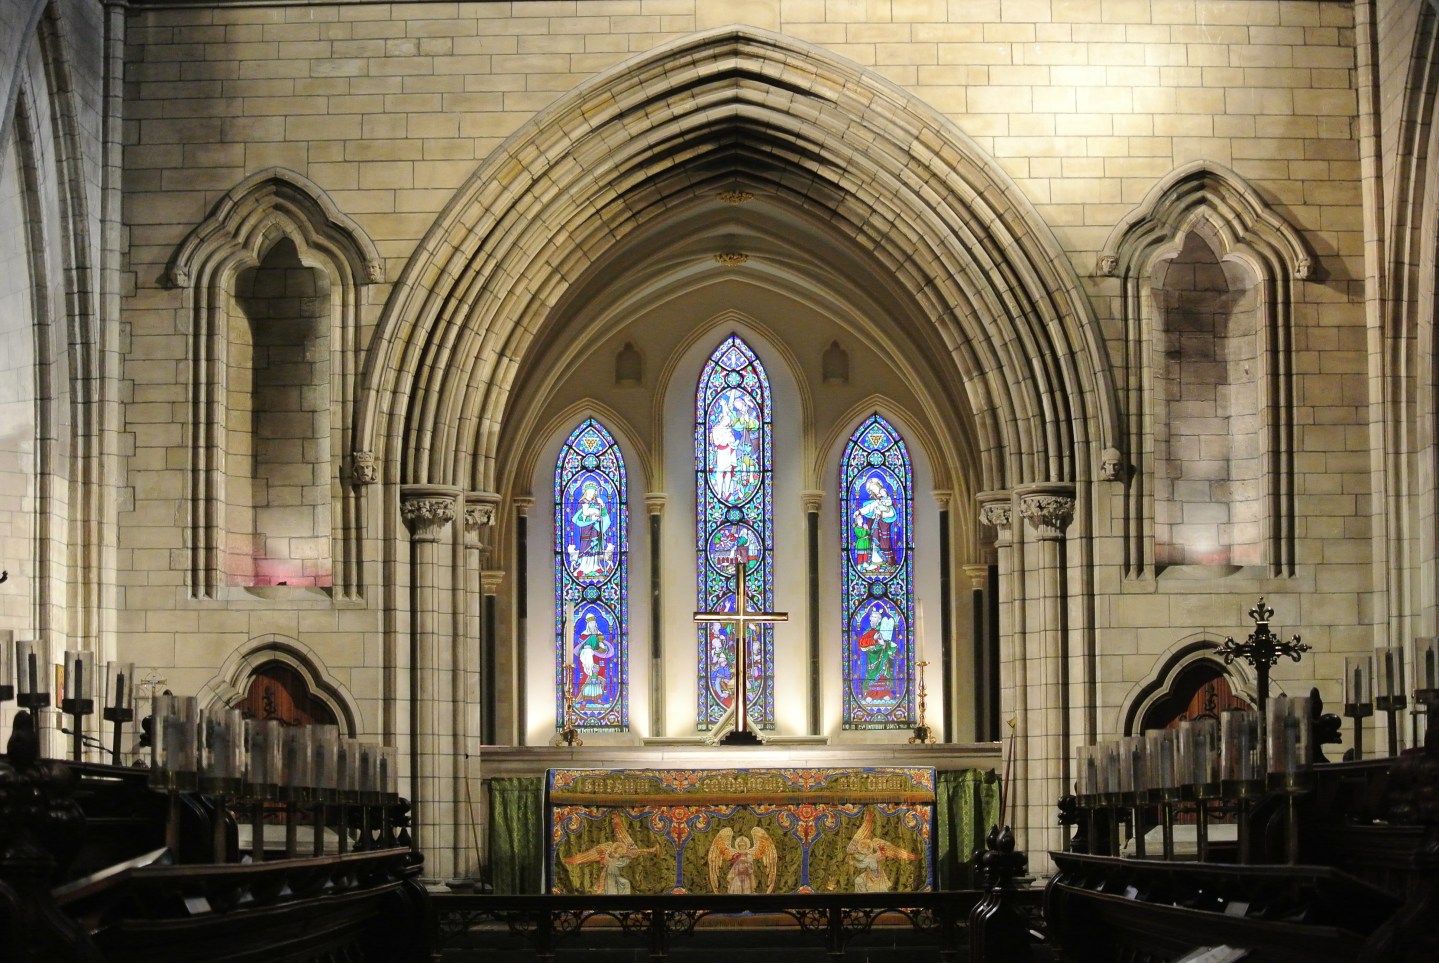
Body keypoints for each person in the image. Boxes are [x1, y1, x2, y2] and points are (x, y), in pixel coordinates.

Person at [853, 475, 898, 573]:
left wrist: (882, 512)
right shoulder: (876, 502)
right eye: (873, 490)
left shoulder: (887, 501)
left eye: (876, 489)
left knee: (884, 544)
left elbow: (891, 513)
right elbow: (869, 508)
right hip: (876, 527)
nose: (876, 492)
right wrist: (859, 512)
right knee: (874, 543)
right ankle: (874, 563)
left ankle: (887, 562)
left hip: (883, 527)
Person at [567, 481, 612, 577]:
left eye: (593, 492)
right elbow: (579, 517)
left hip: (595, 529)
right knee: (586, 546)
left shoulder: (597, 502)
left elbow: (603, 515)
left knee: (595, 547)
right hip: (586, 529)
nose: (592, 493)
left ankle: (595, 566)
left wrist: (602, 506)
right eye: (590, 491)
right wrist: (591, 518)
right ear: (585, 492)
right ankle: (584, 568)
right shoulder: (582, 502)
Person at [856, 603, 898, 699]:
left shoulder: (883, 631)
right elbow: (861, 643)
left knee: (883, 675)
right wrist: (873, 639)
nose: (871, 619)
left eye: (874, 617)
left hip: (882, 658)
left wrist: (883, 644)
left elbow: (890, 645)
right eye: (871, 617)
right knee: (871, 675)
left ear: (879, 620)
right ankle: (870, 694)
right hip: (871, 659)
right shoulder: (868, 632)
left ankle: (885, 694)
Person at [573, 612, 613, 701]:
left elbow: (605, 648)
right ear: (588, 624)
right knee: (586, 679)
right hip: (587, 660)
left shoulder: (600, 635)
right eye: (591, 623)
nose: (593, 625)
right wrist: (586, 651)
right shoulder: (583, 636)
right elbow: (578, 649)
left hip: (598, 660)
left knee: (598, 679)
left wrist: (602, 647)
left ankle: (598, 699)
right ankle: (583, 700)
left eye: (594, 623)